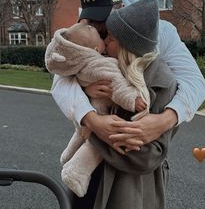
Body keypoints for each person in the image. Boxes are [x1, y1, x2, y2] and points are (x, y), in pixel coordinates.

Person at [51, 0, 205, 209]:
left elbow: (193, 82)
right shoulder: (88, 29)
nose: (96, 30)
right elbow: (60, 80)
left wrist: (162, 121)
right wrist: (93, 118)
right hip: (98, 140)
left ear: (120, 8)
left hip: (137, 146)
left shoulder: (160, 34)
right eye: (89, 19)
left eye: (102, 22)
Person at [45, 22, 147, 197]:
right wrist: (132, 99)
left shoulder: (78, 55)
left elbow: (66, 70)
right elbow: (117, 84)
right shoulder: (101, 62)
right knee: (93, 147)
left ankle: (67, 156)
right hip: (100, 113)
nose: (105, 40)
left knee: (80, 135)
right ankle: (75, 172)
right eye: (103, 37)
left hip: (87, 115)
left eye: (108, 36)